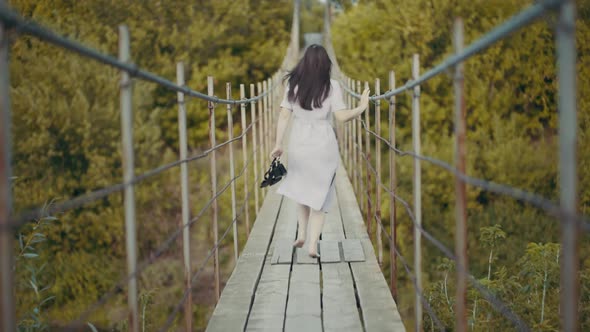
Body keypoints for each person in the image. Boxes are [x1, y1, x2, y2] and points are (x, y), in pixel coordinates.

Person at [270, 44, 370, 258]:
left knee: (301, 189)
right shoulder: (332, 86)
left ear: (304, 63)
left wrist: (278, 144)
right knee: (321, 195)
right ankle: (313, 245)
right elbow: (342, 117)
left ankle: (302, 233)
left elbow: (285, 116)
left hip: (299, 143)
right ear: (326, 64)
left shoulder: (293, 85)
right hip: (323, 145)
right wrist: (361, 107)